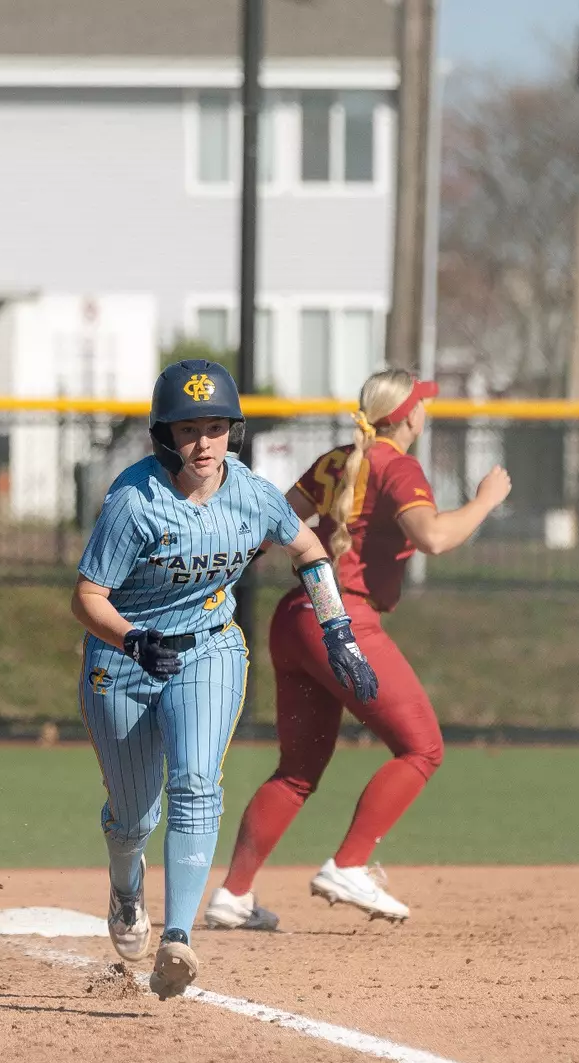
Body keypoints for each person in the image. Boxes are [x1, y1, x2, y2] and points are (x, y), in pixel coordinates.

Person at [72, 359, 379, 999]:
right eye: (189, 430)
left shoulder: (250, 494)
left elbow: (308, 550)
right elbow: (87, 596)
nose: (204, 443)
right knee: (134, 815)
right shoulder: (134, 501)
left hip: (209, 649)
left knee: (196, 780)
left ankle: (178, 938)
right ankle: (127, 888)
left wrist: (338, 630)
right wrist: (132, 638)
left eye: (216, 427)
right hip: (125, 658)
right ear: (165, 436)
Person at [204, 368, 512, 929]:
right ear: (408, 415)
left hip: (296, 618)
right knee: (423, 749)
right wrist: (486, 500)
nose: (426, 412)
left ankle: (234, 895)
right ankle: (349, 864)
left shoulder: (337, 459)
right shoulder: (397, 465)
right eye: (423, 404)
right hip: (344, 622)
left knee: (298, 770)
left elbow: (272, 524)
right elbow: (434, 537)